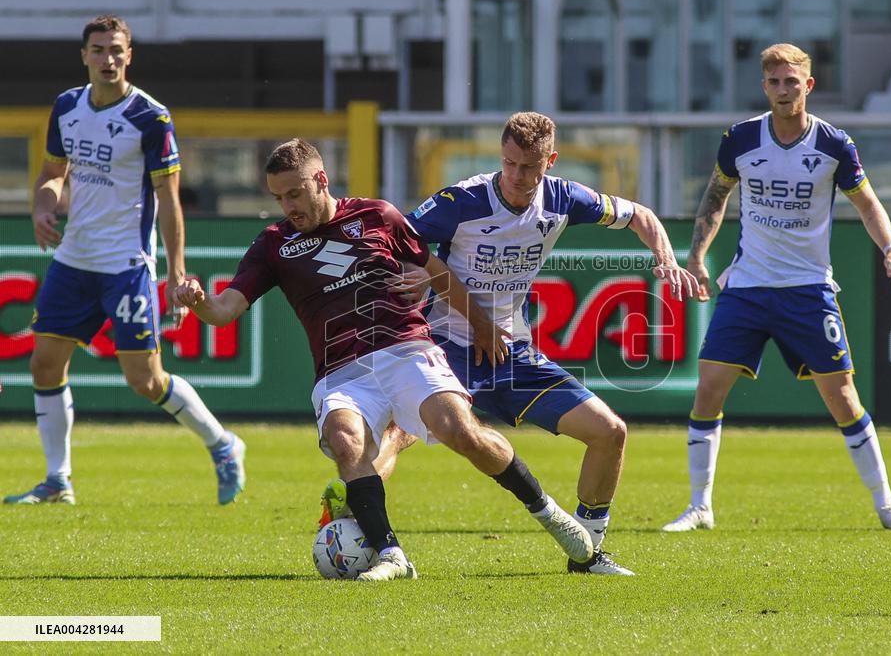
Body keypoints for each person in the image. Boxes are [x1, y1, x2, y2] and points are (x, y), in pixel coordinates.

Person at [174, 138, 594, 581]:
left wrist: (482, 325)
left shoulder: (377, 215)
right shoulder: (274, 244)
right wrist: (199, 301)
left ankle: (547, 511)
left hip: (406, 348)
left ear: (321, 180)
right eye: (279, 197)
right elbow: (225, 311)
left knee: (460, 432)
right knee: (346, 442)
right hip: (340, 371)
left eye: (295, 193)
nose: (287, 206)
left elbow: (435, 270)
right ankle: (391, 556)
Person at [391, 111, 698, 575]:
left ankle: (588, 553)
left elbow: (641, 215)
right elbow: (400, 241)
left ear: (550, 161)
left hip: (512, 352)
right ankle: (359, 521)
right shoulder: (463, 200)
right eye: (510, 163)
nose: (517, 175)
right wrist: (425, 277)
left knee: (610, 432)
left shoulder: (564, 198)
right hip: (446, 343)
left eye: (530, 166)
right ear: (501, 155)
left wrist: (667, 258)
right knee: (400, 432)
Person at [660, 43, 891, 533]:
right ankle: (699, 507)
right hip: (747, 287)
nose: (784, 90)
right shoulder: (739, 139)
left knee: (843, 397)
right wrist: (694, 256)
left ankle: (887, 505)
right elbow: (716, 197)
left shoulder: (834, 145)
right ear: (765, 87)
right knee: (708, 390)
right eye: (775, 82)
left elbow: (868, 204)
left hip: (807, 289)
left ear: (808, 85)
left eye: (792, 82)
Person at [4, 15, 245, 506]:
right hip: (74, 260)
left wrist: (177, 271)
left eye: (116, 50)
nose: (107, 59)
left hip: (126, 265)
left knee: (144, 380)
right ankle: (57, 481)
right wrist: (43, 205)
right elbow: (53, 172)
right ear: (84, 55)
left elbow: (170, 200)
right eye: (98, 49)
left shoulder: (150, 117)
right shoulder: (67, 107)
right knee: (44, 366)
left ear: (129, 55)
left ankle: (223, 444)